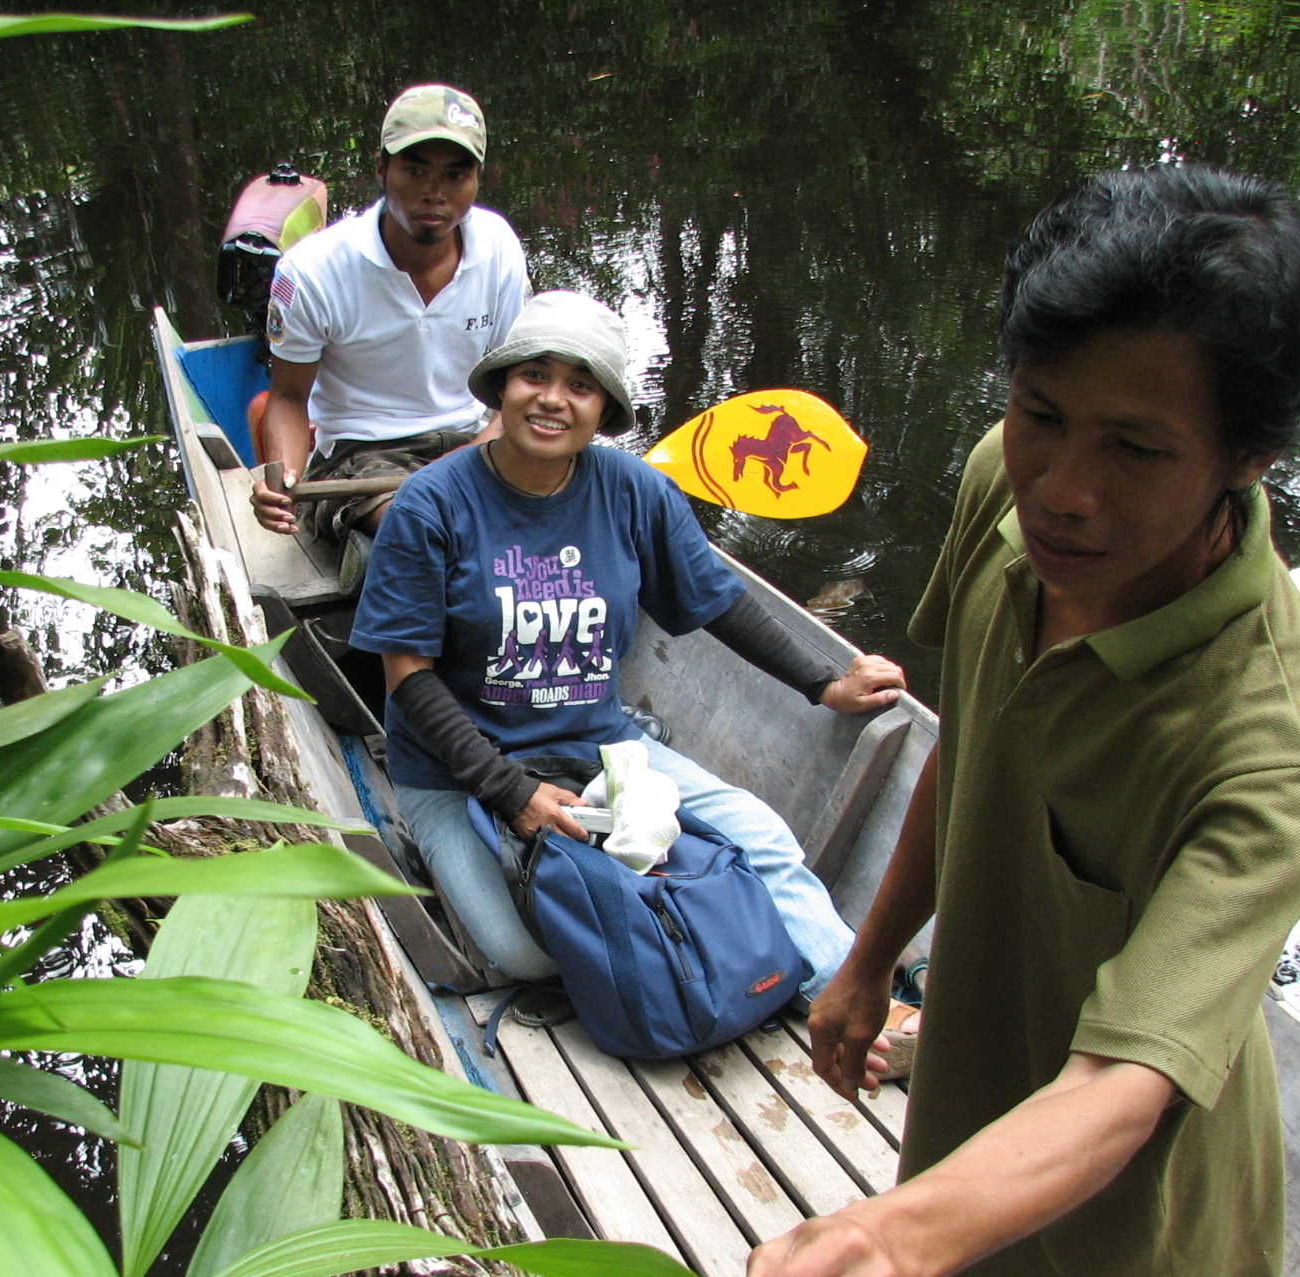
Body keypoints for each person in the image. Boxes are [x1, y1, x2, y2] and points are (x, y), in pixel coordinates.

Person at [707, 165, 1300, 1277]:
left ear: (1246, 457)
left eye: (1135, 450)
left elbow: (1126, 1086)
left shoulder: (1279, 741)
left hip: (1129, 1211)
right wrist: (868, 958)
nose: (1062, 492)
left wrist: (883, 1240)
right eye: (1040, 413)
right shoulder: (999, 488)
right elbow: (974, 745)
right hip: (963, 1095)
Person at [349, 290, 906, 1006]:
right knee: (527, 956)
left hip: (598, 742)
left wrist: (825, 684)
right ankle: (686, 942)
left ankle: (853, 998)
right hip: (454, 772)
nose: (553, 399)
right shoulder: (431, 505)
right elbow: (407, 676)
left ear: (604, 409)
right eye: (534, 375)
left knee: (760, 834)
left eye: (580, 385)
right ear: (502, 386)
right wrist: (510, 790)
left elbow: (718, 602)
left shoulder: (635, 491)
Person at [249, 84, 529, 551]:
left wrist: (484, 443)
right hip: (363, 458)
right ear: (382, 169)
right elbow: (289, 397)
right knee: (418, 524)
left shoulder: (498, 246)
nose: (434, 194)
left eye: (455, 175)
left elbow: (515, 386)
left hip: (476, 441)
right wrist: (284, 482)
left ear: (477, 179)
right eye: (415, 171)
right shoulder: (313, 270)